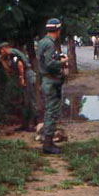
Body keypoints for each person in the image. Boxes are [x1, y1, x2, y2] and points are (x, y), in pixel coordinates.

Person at [37, 18, 68, 154]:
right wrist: (62, 62)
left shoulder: (43, 42)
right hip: (51, 82)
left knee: (50, 111)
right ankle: (48, 145)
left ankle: (48, 141)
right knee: (52, 112)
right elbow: (49, 64)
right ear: (58, 30)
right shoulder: (50, 44)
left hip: (47, 81)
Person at [0, 42, 38, 131]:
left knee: (30, 100)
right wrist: (2, 61)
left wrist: (22, 78)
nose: (1, 52)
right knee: (24, 101)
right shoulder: (8, 56)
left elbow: (20, 65)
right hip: (21, 76)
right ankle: (25, 124)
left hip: (26, 75)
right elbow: (9, 70)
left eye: (1, 50)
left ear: (5, 48)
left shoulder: (13, 53)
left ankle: (34, 123)